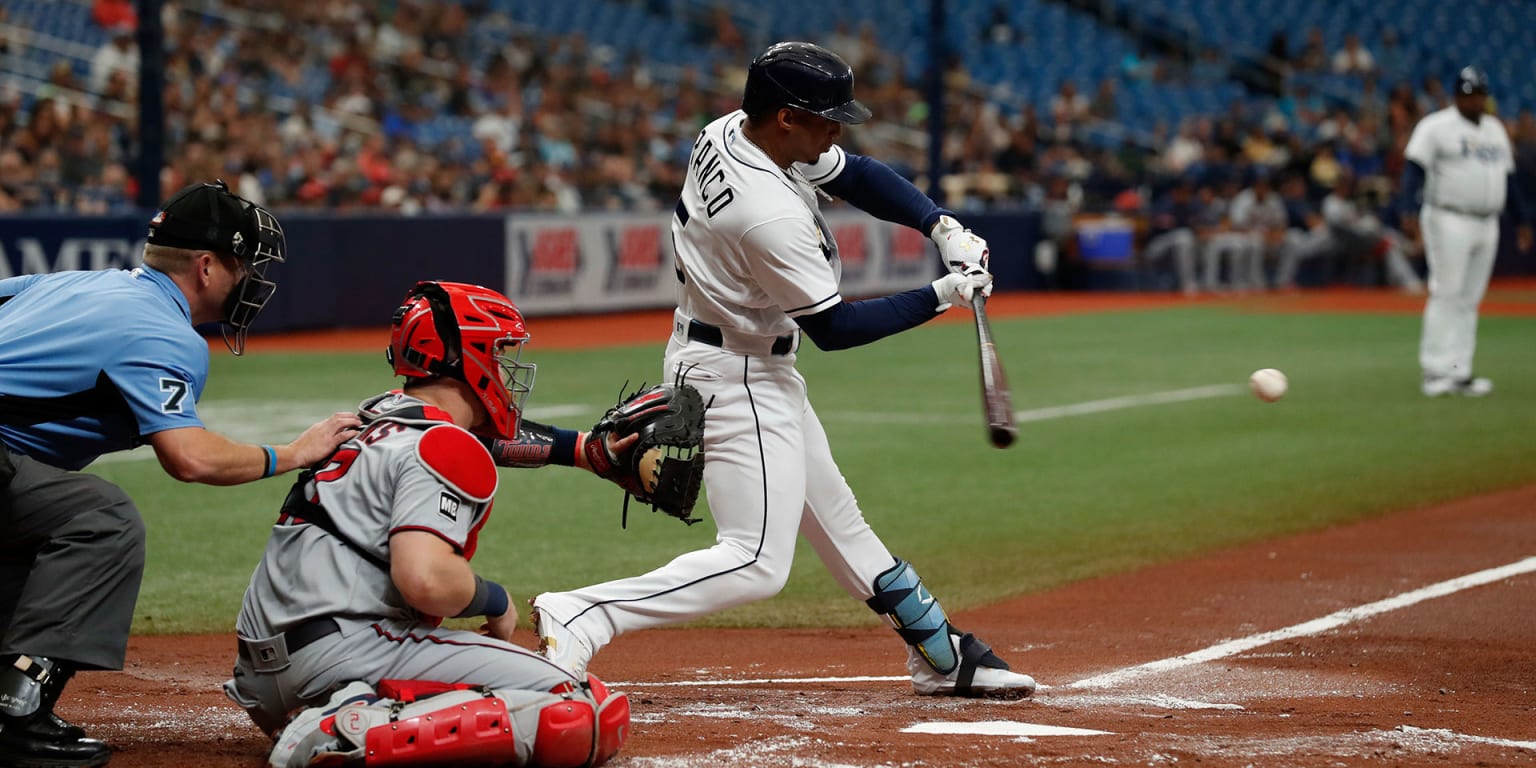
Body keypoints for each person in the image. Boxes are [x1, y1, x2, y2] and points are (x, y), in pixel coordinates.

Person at [529, 41, 1034, 701]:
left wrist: (938, 224)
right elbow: (834, 328)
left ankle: (943, 654)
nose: (838, 128)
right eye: (826, 117)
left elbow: (855, 173)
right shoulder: (764, 212)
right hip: (735, 373)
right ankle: (584, 612)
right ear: (786, 117)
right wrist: (944, 295)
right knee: (756, 560)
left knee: (839, 522)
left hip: (742, 357)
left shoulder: (735, 130)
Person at [0, 180, 361, 767]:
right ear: (206, 266)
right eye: (244, 263)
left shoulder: (71, 283)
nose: (253, 279)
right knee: (102, 521)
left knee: (32, 531)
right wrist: (294, 452)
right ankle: (14, 716)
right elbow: (190, 458)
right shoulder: (164, 333)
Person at [225, 281, 634, 768]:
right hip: (344, 649)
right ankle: (349, 726)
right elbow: (425, 580)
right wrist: (495, 600)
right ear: (469, 357)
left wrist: (583, 449)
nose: (507, 370)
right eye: (500, 352)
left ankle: (358, 703)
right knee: (579, 705)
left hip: (266, 672)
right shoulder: (445, 446)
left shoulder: (374, 418)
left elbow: (484, 445)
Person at [1400, 66, 1532, 397]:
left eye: (1479, 96)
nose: (1474, 101)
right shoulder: (1436, 127)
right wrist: (1407, 211)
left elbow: (1510, 181)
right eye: (1469, 95)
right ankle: (1435, 370)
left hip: (1488, 221)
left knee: (1470, 299)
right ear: (1456, 95)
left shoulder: (1495, 130)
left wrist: (1522, 221)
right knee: (1447, 291)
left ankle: (1459, 371)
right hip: (1449, 217)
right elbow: (1413, 170)